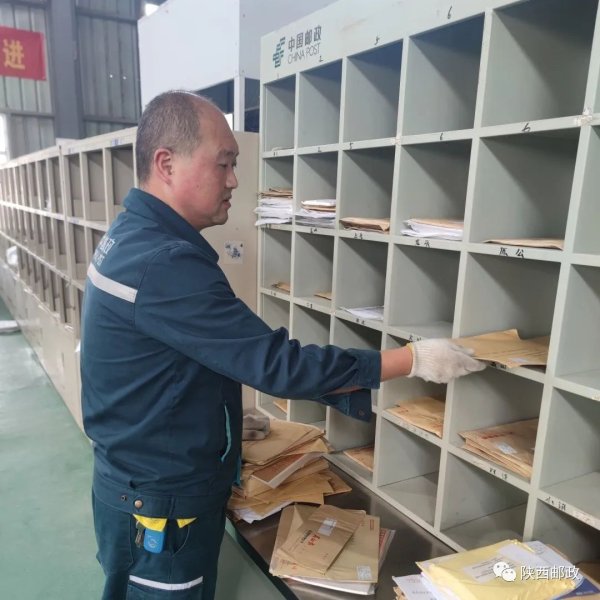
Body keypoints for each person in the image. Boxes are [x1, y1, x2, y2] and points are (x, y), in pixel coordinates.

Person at [80, 90, 485, 600]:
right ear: (166, 164)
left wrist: (220, 419)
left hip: (135, 484)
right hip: (162, 506)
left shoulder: (131, 234)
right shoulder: (164, 261)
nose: (234, 180)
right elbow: (277, 364)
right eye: (224, 163)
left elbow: (169, 360)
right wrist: (412, 359)